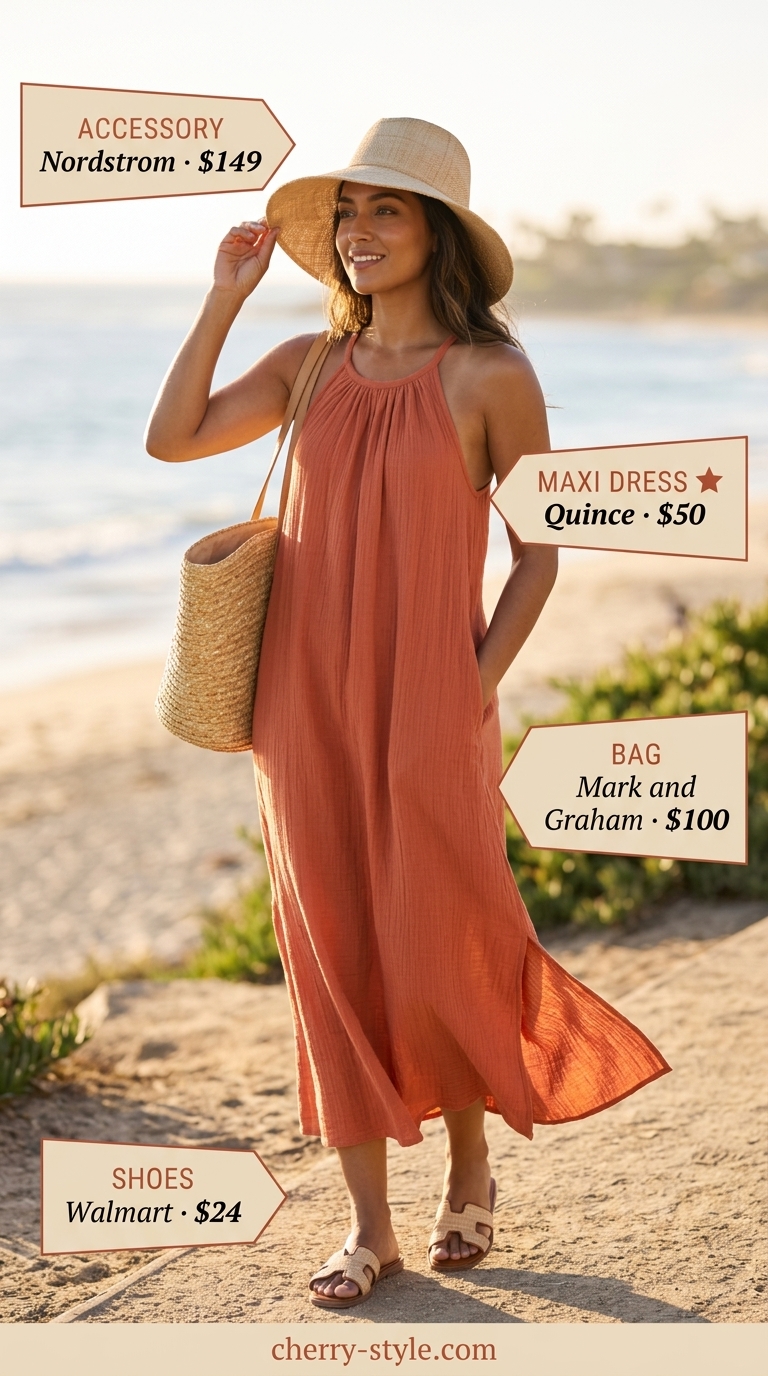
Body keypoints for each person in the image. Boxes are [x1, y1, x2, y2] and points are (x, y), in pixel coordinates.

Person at [146, 117, 670, 1310]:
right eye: (346, 213)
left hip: (434, 700)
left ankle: (472, 1166)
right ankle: (369, 1222)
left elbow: (540, 557)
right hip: (301, 705)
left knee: (444, 933)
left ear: (436, 234)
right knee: (330, 946)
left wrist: (471, 685)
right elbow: (171, 437)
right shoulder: (307, 366)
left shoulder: (494, 377)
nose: (359, 232)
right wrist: (223, 299)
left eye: (386, 211)